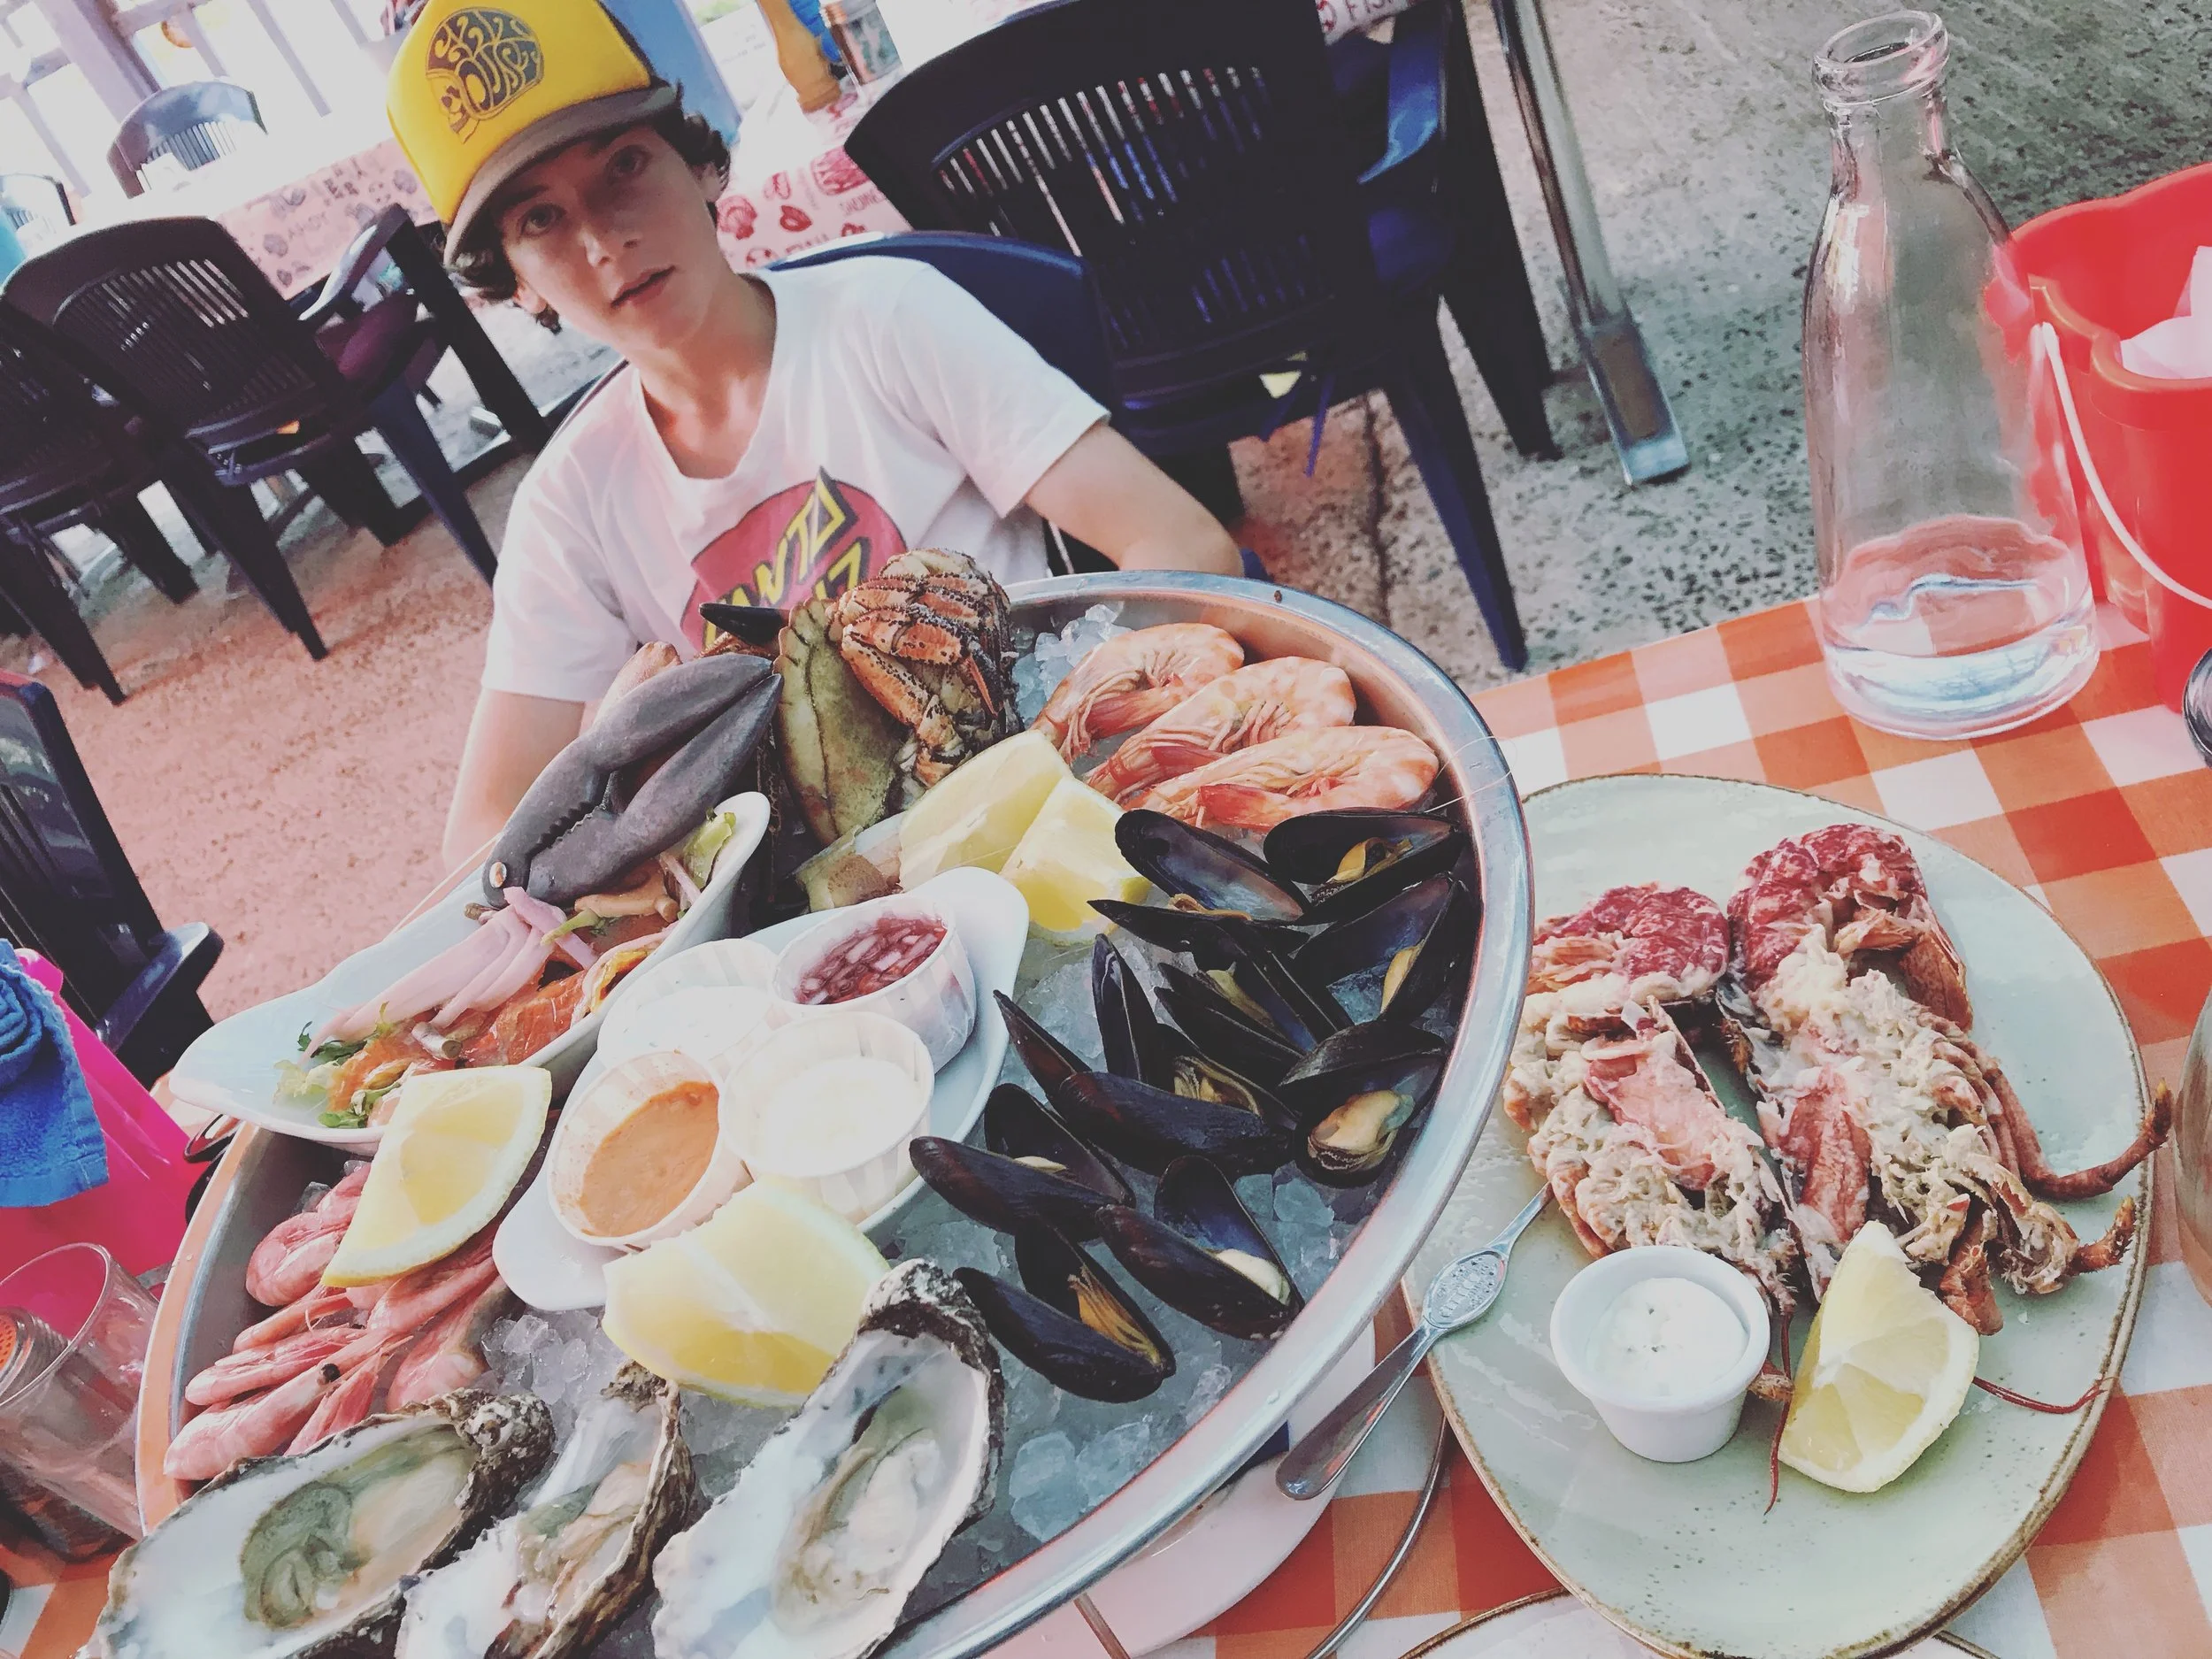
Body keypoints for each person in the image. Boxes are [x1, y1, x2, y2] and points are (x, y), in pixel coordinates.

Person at [386, 0, 1241, 868]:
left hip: (1044, 800)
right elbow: (482, 841)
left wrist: (1072, 748)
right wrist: (632, 814)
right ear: (517, 283)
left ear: (699, 164)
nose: (605, 238)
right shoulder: (568, 507)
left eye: (624, 166)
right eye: (539, 219)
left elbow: (1184, 543)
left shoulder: (890, 319)